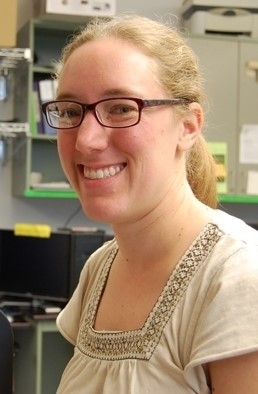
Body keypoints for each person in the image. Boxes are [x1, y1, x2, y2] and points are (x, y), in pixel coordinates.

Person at [42, 14, 258, 394]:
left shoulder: (237, 277)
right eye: (72, 112)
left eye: (122, 108)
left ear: (188, 127)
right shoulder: (100, 268)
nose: (86, 141)